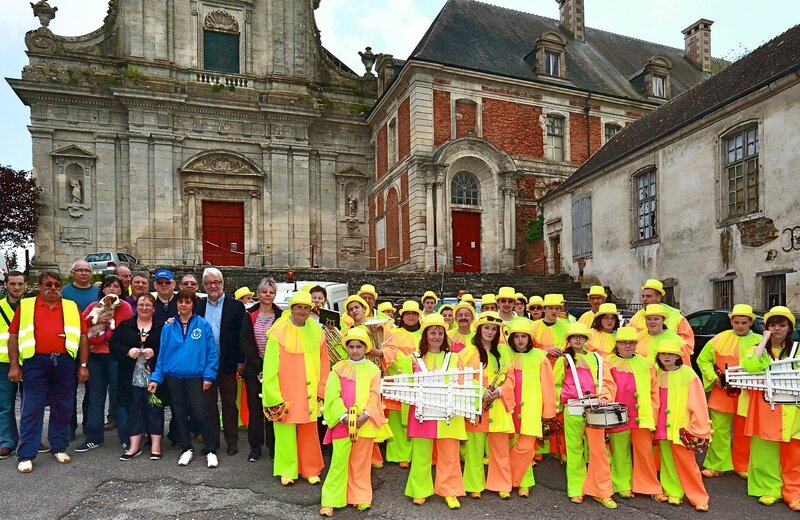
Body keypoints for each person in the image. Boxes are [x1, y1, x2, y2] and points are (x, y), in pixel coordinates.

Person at [7, 270, 90, 473]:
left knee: (63, 406)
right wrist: (14, 365)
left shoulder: (71, 307)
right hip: (35, 362)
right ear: (40, 286)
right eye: (48, 284)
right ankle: (26, 454)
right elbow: (14, 336)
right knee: (31, 409)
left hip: (64, 362)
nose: (53, 288)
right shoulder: (26, 306)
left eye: (56, 285)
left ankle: (59, 447)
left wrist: (83, 365)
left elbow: (83, 337)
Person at [319, 328, 392, 517]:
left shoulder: (373, 370)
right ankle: (330, 500)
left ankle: (360, 497)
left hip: (365, 424)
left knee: (361, 463)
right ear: (347, 348)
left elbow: (376, 396)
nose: (355, 350)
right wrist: (344, 417)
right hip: (343, 424)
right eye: (351, 346)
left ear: (365, 348)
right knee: (338, 462)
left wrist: (366, 415)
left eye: (359, 346)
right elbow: (332, 396)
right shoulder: (338, 369)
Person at [262, 291, 329, 486]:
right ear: (291, 309)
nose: (302, 311)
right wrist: (274, 395)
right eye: (298, 307)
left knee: (309, 430)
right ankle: (287, 470)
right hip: (286, 390)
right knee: (285, 430)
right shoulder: (278, 331)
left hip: (309, 391)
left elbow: (324, 364)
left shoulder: (318, 332)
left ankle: (310, 468)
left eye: (306, 308)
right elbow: (270, 366)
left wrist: (321, 389)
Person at [148, 290, 219, 468]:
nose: (184, 305)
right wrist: (156, 377)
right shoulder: (168, 327)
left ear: (193, 304)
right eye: (181, 302)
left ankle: (211, 450)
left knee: (200, 413)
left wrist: (208, 375)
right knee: (179, 413)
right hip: (174, 377)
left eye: (188, 302)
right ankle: (186, 448)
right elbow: (162, 354)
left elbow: (212, 353)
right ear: (177, 304)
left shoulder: (203, 325)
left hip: (195, 376)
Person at [402, 313, 466, 509]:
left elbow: (462, 385)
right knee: (421, 453)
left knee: (450, 454)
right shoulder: (413, 358)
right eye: (432, 332)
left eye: (440, 333)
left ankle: (450, 491)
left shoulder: (454, 357)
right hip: (422, 412)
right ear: (425, 335)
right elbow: (407, 386)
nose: (437, 336)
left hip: (449, 413)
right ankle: (419, 490)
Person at [740, 306, 800, 511]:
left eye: (782, 325)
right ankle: (769, 488)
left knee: (794, 452)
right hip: (766, 407)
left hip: (794, 409)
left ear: (790, 328)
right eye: (772, 325)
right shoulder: (758, 348)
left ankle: (793, 491)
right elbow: (751, 365)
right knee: (764, 450)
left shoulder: (797, 349)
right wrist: (764, 340)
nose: (777, 329)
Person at [553, 322, 617, 508]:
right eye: (574, 337)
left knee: (599, 451)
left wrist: (605, 396)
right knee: (574, 451)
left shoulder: (597, 358)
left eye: (581, 337)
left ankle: (602, 491)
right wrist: (561, 401)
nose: (578, 339)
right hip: (573, 408)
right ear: (569, 340)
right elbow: (554, 384)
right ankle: (576, 489)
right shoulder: (563, 360)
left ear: (587, 339)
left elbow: (607, 382)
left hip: (595, 408)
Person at [696, 304, 760, 479]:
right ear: (731, 321)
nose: (740, 325)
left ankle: (743, 464)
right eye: (736, 322)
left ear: (751, 322)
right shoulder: (718, 339)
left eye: (744, 322)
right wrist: (714, 378)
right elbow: (703, 361)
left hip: (748, 393)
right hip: (722, 391)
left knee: (744, 430)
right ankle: (717, 465)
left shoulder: (760, 341)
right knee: (719, 430)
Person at [459, 311, 515, 499]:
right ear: (479, 329)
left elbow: (511, 378)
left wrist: (499, 391)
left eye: (494, 329)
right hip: (477, 406)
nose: (490, 332)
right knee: (474, 448)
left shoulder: (505, 352)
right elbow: (461, 378)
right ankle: (473, 484)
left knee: (500, 448)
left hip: (498, 406)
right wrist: (480, 391)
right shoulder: (467, 352)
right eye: (487, 328)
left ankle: (501, 484)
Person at [604, 326, 662, 500]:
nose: (627, 346)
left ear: (636, 344)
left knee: (644, 452)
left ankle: (649, 486)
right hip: (618, 416)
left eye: (631, 343)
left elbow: (654, 391)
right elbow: (605, 386)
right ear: (617, 344)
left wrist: (653, 414)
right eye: (623, 343)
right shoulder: (608, 362)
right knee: (620, 451)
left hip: (641, 416)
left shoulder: (646, 363)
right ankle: (622, 483)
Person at [77, 275, 134, 452]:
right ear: (102, 290)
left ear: (121, 290)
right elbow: (81, 324)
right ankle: (93, 437)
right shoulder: (94, 306)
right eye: (108, 286)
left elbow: (125, 330)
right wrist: (97, 321)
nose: (112, 290)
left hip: (115, 357)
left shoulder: (124, 307)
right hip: (95, 357)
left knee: (120, 398)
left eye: (116, 287)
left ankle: (126, 438)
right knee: (95, 398)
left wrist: (106, 331)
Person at [653, 339, 710, 511]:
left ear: (678, 356)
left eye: (670, 354)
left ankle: (699, 497)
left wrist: (697, 427)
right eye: (663, 354)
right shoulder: (659, 375)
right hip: (662, 426)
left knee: (688, 463)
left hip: (681, 427)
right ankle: (673, 492)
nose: (667, 357)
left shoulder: (689, 375)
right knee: (667, 460)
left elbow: (698, 403)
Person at [109, 293, 168, 460]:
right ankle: (134, 445)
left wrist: (154, 351)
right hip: (130, 377)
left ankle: (156, 444)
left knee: (155, 409)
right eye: (141, 304)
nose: (144, 308)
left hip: (155, 376)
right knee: (133, 409)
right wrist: (127, 351)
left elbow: (169, 347)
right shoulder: (125, 325)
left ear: (154, 308)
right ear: (136, 307)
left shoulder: (162, 326)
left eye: (148, 305)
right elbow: (113, 345)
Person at [195, 267, 246, 457]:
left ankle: (232, 441)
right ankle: (212, 442)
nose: (213, 286)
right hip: (205, 364)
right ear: (204, 286)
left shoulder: (236, 306)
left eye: (216, 282)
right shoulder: (198, 306)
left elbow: (242, 335)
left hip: (228, 362)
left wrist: (241, 360)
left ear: (223, 284)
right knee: (208, 405)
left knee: (229, 404)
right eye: (208, 283)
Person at [505, 317, 556, 497]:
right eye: (516, 336)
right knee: (511, 444)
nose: (520, 340)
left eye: (524, 337)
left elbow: (548, 387)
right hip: (509, 409)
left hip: (531, 410)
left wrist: (548, 411)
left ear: (529, 338)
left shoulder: (540, 357)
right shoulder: (506, 355)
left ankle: (511, 478)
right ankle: (523, 482)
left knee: (526, 448)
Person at [240, 277, 281, 462]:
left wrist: (271, 366)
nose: (267, 295)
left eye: (271, 292)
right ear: (258, 294)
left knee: (273, 409)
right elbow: (245, 342)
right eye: (264, 291)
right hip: (254, 369)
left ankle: (274, 446)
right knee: (255, 409)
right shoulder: (249, 314)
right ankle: (255, 447)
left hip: (276, 370)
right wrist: (260, 364)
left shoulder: (281, 315)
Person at [383, 300, 420, 468]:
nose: (410, 316)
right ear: (402, 316)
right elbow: (388, 353)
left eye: (413, 313)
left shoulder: (426, 333)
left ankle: (417, 453)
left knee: (417, 417)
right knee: (397, 419)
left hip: (420, 380)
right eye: (407, 313)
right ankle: (400, 454)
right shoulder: (392, 333)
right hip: (397, 379)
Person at [628, 279, 694, 355]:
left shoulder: (675, 316)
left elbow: (687, 344)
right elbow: (628, 340)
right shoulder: (636, 317)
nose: (644, 299)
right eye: (643, 296)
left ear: (659, 297)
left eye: (648, 296)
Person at [0, 271, 26, 459]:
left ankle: (29, 438)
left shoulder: (31, 307)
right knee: (5, 404)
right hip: (2, 361)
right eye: (13, 284)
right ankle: (7, 441)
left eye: (20, 284)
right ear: (5, 285)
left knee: (30, 404)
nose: (16, 287)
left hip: (28, 360)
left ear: (25, 285)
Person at [530, 294, 570, 365]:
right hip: (539, 367)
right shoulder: (532, 327)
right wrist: (545, 351)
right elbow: (526, 350)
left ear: (560, 310)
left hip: (560, 368)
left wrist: (564, 353)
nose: (554, 311)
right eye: (551, 308)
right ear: (544, 309)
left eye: (557, 308)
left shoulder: (567, 327)